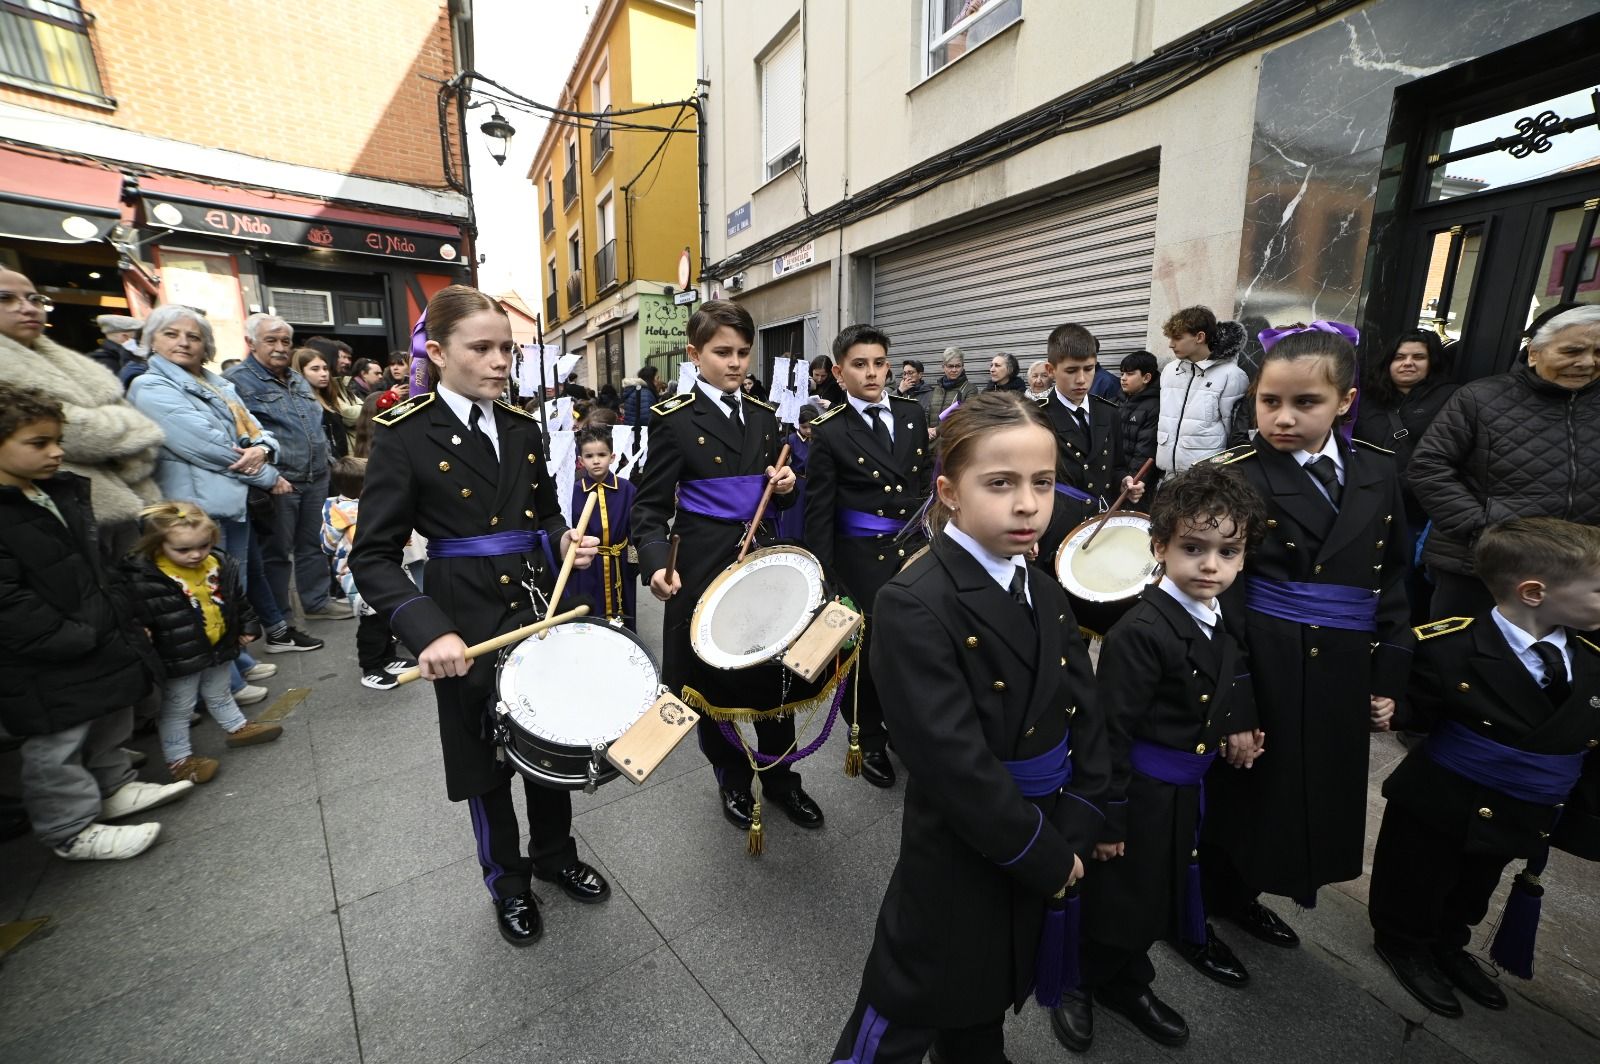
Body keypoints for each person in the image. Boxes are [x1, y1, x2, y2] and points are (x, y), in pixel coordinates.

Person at [829, 391, 1109, 1064]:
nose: (1028, 504)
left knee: (987, 985)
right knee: (910, 999)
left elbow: (1083, 707)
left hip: (1047, 821)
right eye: (1000, 483)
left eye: (1043, 482)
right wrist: (1045, 853)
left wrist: (1085, 810)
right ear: (950, 492)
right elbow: (953, 764)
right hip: (966, 845)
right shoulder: (914, 602)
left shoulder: (1041, 585)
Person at [350, 284, 608, 946]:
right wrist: (426, 629)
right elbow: (372, 556)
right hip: (460, 610)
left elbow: (545, 513)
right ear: (438, 353)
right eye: (482, 348)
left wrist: (564, 541)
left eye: (507, 349)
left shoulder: (522, 427)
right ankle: (508, 882)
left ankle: (555, 856)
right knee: (483, 761)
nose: (499, 362)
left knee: (547, 738)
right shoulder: (404, 433)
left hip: (533, 604)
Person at [1199, 323, 1412, 950]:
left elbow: (1392, 579)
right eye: (1270, 401)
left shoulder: (1376, 470)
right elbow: (1215, 599)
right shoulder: (1235, 476)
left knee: (1309, 792)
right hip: (1265, 656)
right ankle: (1201, 905)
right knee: (1247, 788)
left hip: (1342, 665)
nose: (1283, 418)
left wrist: (1387, 675)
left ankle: (1246, 894)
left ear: (1346, 401)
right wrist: (1236, 703)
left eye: (1306, 402)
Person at [1058, 464, 1265, 1053]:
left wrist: (1233, 726)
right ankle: (1079, 978)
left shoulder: (1214, 614)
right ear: (1159, 548)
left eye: (1228, 552)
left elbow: (1219, 680)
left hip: (1181, 788)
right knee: (1119, 896)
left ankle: (1127, 978)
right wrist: (1109, 818)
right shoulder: (1143, 631)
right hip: (1141, 791)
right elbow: (1110, 732)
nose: (1210, 565)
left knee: (1155, 892)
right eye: (1192, 548)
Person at [1369, 517, 1600, 1018]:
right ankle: (1404, 943)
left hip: (1523, 803)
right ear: (1534, 593)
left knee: (1477, 881)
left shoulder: (1590, 657)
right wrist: (1392, 710)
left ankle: (1448, 942)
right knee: (1419, 877)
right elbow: (1418, 705)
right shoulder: (1449, 645)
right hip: (1444, 795)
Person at [633, 301, 823, 836]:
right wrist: (656, 564)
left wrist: (786, 487)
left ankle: (782, 778)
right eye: (722, 352)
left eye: (743, 352)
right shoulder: (672, 419)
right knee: (712, 681)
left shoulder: (763, 415)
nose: (736, 363)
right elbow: (649, 507)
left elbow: (780, 492)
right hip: (702, 565)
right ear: (695, 355)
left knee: (775, 669)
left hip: (762, 563)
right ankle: (732, 778)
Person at [0, 384, 191, 861]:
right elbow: (8, 599)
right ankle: (70, 827)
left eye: (57, 440)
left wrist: (121, 613)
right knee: (58, 741)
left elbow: (95, 563)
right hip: (46, 651)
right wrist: (67, 636)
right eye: (38, 443)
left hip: (96, 628)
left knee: (109, 710)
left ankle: (113, 785)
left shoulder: (55, 491)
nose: (56, 452)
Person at [127, 304, 302, 686]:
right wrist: (268, 475)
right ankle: (225, 683)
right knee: (201, 594)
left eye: (193, 336)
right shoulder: (150, 387)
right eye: (171, 334)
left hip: (231, 502)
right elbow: (209, 447)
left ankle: (236, 662)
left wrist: (263, 449)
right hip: (193, 510)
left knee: (229, 589)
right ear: (151, 340)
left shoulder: (217, 383)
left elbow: (258, 432)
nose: (184, 342)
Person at [803, 324, 932, 790]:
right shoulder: (830, 430)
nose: (872, 373)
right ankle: (869, 738)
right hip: (861, 559)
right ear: (840, 373)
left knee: (914, 649)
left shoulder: (911, 413)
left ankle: (904, 728)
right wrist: (826, 580)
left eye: (879, 363)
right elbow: (819, 512)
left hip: (914, 550)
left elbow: (922, 483)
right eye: (860, 365)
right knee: (868, 656)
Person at [1409, 305, 1600, 619]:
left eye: (1598, 352)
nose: (1587, 362)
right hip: (1481, 568)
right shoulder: (1479, 398)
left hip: (1581, 574)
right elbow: (1428, 466)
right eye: (1572, 351)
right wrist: (1483, 530)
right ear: (1534, 353)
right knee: (1466, 648)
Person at [0, 268, 163, 557]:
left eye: (34, 299)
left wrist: (126, 436)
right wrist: (133, 431)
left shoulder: (65, 359)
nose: (27, 308)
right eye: (6, 298)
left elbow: (134, 433)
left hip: (123, 508)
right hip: (62, 514)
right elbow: (76, 432)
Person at [120, 503, 284, 783]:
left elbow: (237, 600)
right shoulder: (145, 576)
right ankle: (179, 760)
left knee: (220, 691)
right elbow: (136, 614)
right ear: (157, 545)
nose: (196, 554)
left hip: (217, 644)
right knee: (178, 708)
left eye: (203, 546)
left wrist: (246, 625)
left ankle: (237, 727)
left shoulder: (218, 563)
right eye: (183, 550)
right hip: (178, 654)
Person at [227, 314, 352, 621]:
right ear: (251, 343)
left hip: (316, 476)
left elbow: (313, 424)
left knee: (313, 545)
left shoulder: (296, 378)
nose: (280, 347)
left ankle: (317, 603)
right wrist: (268, 477)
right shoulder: (236, 381)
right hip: (280, 481)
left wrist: (328, 464)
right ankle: (279, 616)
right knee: (276, 553)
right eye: (271, 340)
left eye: (285, 341)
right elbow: (239, 436)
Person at [1353, 330, 1457, 623]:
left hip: (1417, 511)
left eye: (1418, 357)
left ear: (1432, 362)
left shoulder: (1451, 397)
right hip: (1368, 503)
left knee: (1405, 579)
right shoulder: (1367, 397)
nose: (1408, 363)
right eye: (1399, 357)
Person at [1035, 324, 1145, 587]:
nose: (1082, 379)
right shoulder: (1036, 416)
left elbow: (1116, 465)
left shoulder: (1108, 412)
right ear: (1051, 370)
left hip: (1100, 523)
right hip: (1053, 528)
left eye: (1089, 368)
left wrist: (1125, 482)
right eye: (1071, 370)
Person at [322, 456, 415, 690]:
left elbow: (326, 545)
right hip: (357, 577)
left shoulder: (349, 508)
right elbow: (329, 545)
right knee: (372, 622)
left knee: (385, 615)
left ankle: (388, 657)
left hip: (376, 571)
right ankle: (371, 666)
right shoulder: (352, 513)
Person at [1155, 305, 1250, 476]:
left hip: (1206, 476)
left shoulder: (1232, 375)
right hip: (1168, 473)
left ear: (1199, 337)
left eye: (1177, 338)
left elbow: (1233, 432)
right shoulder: (1169, 370)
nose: (1171, 344)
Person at [566, 427, 638, 630]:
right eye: (589, 456)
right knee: (590, 609)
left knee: (622, 609)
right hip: (589, 563)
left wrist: (634, 561)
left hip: (619, 562)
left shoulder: (626, 489)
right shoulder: (574, 491)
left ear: (612, 457)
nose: (596, 461)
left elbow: (635, 526)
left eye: (602, 455)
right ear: (581, 460)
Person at [1118, 350, 1161, 505]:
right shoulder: (1118, 400)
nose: (1123, 378)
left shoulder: (1155, 407)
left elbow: (1145, 451)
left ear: (1146, 378)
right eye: (1122, 373)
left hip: (1135, 485)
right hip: (1117, 478)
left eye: (1129, 374)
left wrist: (1133, 482)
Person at [294, 347, 353, 459]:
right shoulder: (302, 405)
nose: (324, 373)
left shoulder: (329, 398)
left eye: (325, 368)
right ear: (301, 372)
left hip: (341, 462)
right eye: (315, 369)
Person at [775, 403, 819, 545]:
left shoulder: (820, 439)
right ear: (797, 424)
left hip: (816, 484)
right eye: (804, 427)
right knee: (795, 519)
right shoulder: (791, 440)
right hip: (798, 482)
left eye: (811, 427)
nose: (808, 431)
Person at [930, 347, 979, 429]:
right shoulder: (937, 389)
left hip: (953, 436)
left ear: (962, 366)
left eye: (958, 366)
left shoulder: (970, 389)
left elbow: (967, 417)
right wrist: (927, 430)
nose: (954, 370)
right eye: (950, 366)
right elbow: (927, 413)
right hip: (931, 436)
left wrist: (938, 430)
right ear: (943, 366)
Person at [91, 313, 143, 380]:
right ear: (126, 337)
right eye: (138, 337)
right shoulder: (105, 361)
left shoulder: (100, 360)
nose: (140, 341)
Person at [897, 358, 934, 422]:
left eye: (910, 373)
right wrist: (899, 391)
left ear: (920, 375)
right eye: (904, 373)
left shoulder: (931, 394)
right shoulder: (900, 392)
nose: (906, 377)